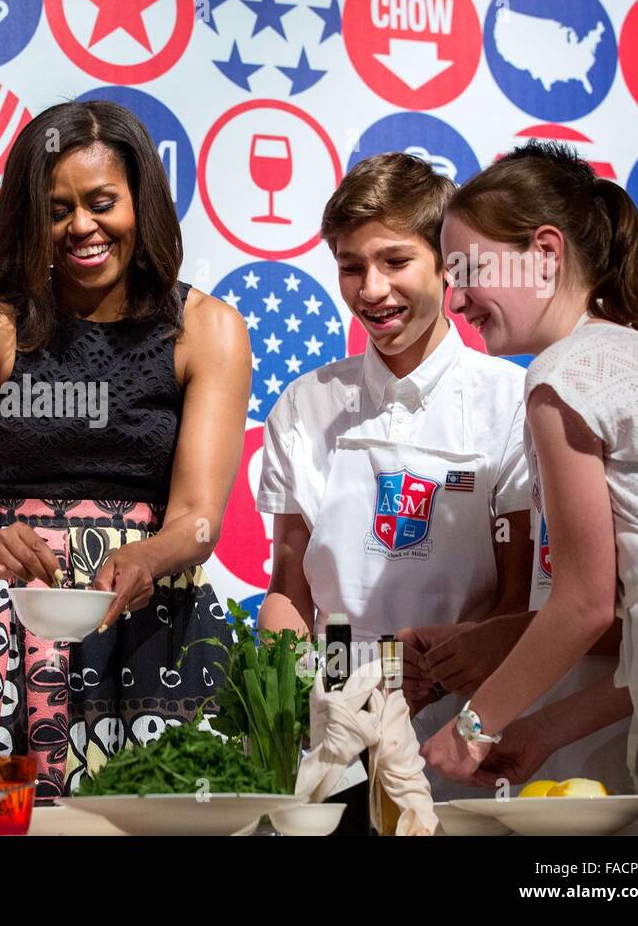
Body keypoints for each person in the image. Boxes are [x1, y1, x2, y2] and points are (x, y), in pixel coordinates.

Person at [0, 101, 250, 830]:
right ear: (28, 217)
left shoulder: (208, 328)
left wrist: (147, 555)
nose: (82, 226)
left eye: (102, 202)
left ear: (139, 203)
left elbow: (199, 520)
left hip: (149, 632)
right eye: (57, 209)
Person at [425, 141, 638, 834]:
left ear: (545, 254)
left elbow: (585, 604)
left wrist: (473, 725)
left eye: (468, 269)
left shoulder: (563, 374)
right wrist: (545, 729)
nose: (455, 297)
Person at [256, 152, 533, 805]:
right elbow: (288, 595)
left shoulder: (513, 401)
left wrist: (454, 658)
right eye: (351, 267)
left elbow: (519, 602)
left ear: (448, 264)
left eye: (395, 261)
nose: (372, 290)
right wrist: (315, 689)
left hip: (466, 743)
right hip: (334, 753)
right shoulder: (305, 403)